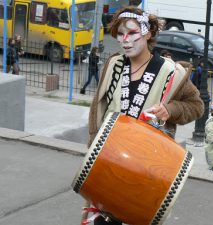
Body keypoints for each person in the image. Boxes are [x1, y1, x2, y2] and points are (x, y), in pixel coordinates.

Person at [83, 6, 204, 225]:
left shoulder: (170, 72)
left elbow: (196, 106)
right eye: (120, 34)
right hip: (109, 161)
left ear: (148, 34)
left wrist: (171, 110)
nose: (125, 40)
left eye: (131, 33)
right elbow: (99, 106)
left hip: (146, 166)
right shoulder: (113, 64)